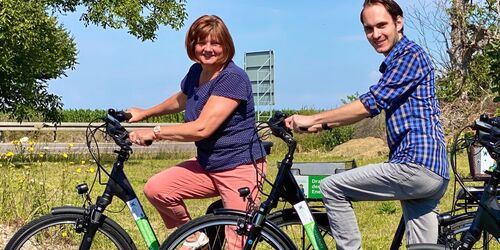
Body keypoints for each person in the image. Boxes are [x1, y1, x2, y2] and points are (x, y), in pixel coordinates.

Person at [284, 0, 449, 249]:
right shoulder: (401, 58)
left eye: (381, 25)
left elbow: (370, 103)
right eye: (368, 28)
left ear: (399, 22)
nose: (375, 34)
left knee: (332, 187)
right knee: (422, 247)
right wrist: (325, 126)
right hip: (433, 171)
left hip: (414, 166)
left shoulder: (409, 56)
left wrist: (314, 118)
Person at [128, 15, 267, 249]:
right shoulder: (197, 72)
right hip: (208, 164)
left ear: (226, 46)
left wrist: (155, 132)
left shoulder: (232, 78)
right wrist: (145, 112)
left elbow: (202, 128)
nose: (208, 49)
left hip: (239, 168)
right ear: (192, 45)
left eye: (215, 43)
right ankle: (195, 239)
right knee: (157, 189)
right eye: (202, 43)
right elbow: (181, 99)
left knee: (236, 242)